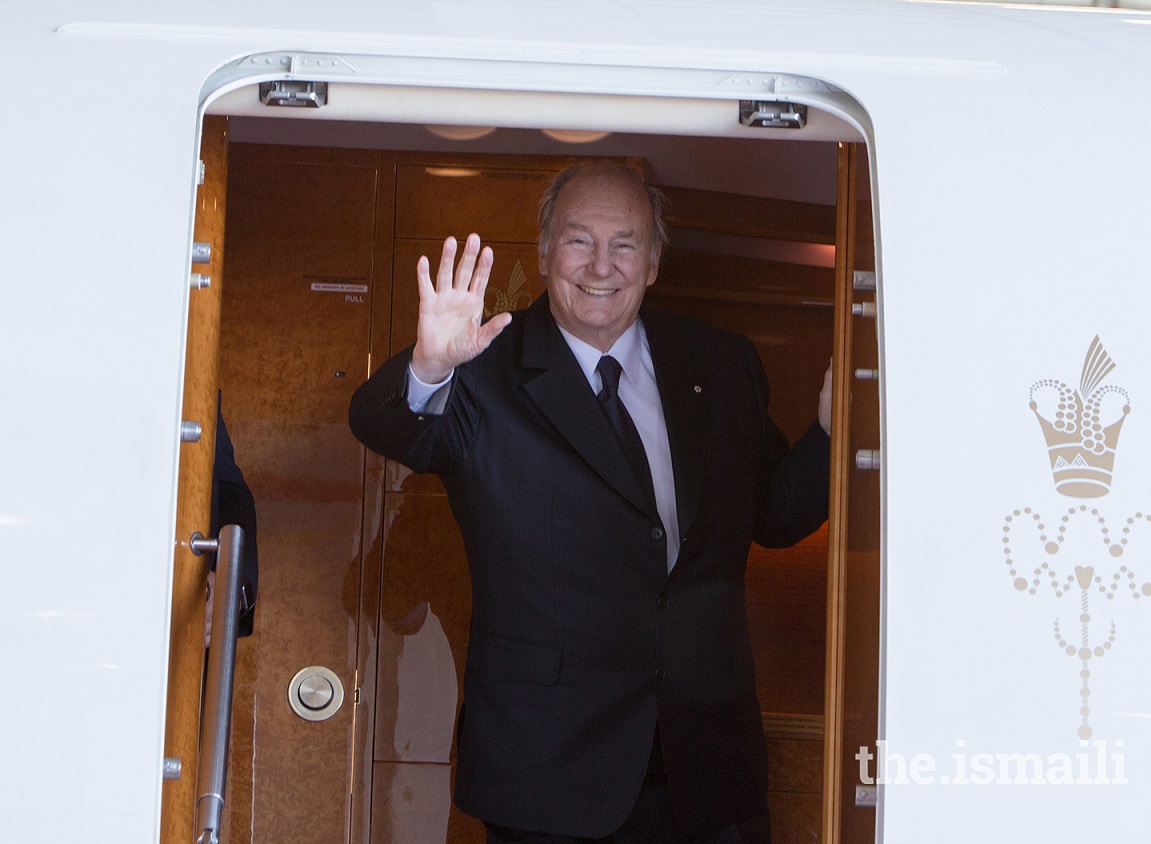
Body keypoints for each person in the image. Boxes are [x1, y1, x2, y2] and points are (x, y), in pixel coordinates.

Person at [349, 162, 831, 843]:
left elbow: (775, 515)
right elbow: (383, 423)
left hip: (708, 768)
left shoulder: (719, 363)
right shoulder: (483, 366)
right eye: (579, 240)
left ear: (655, 260)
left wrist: (835, 433)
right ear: (545, 252)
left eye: (625, 243)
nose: (601, 265)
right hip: (549, 773)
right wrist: (430, 369)